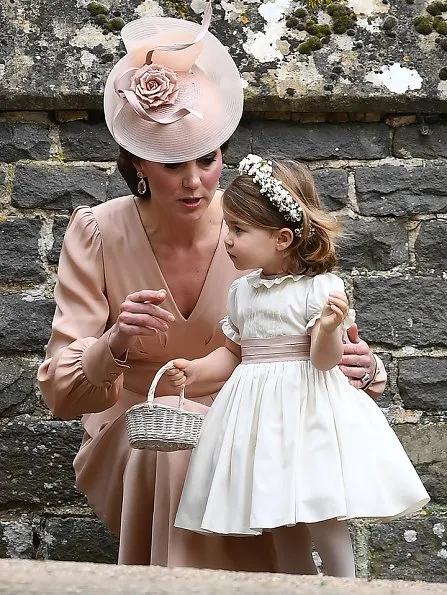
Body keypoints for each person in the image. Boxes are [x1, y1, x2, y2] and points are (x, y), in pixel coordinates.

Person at [37, 1, 386, 570]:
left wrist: (361, 365)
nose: (196, 181)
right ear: (139, 165)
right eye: (174, 166)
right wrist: (115, 344)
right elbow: (60, 393)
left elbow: (322, 328)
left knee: (233, 444)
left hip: (257, 423)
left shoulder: (261, 224)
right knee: (177, 445)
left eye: (208, 158)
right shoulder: (97, 232)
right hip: (141, 428)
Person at [168, 155, 430, 577]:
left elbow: (325, 361)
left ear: (282, 238)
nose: (226, 239)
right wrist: (196, 371)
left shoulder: (320, 289)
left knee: (322, 511)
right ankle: (297, 586)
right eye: (226, 227)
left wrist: (327, 328)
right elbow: (235, 354)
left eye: (238, 229)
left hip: (308, 415)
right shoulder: (242, 293)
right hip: (260, 422)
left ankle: (346, 584)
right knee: (279, 521)